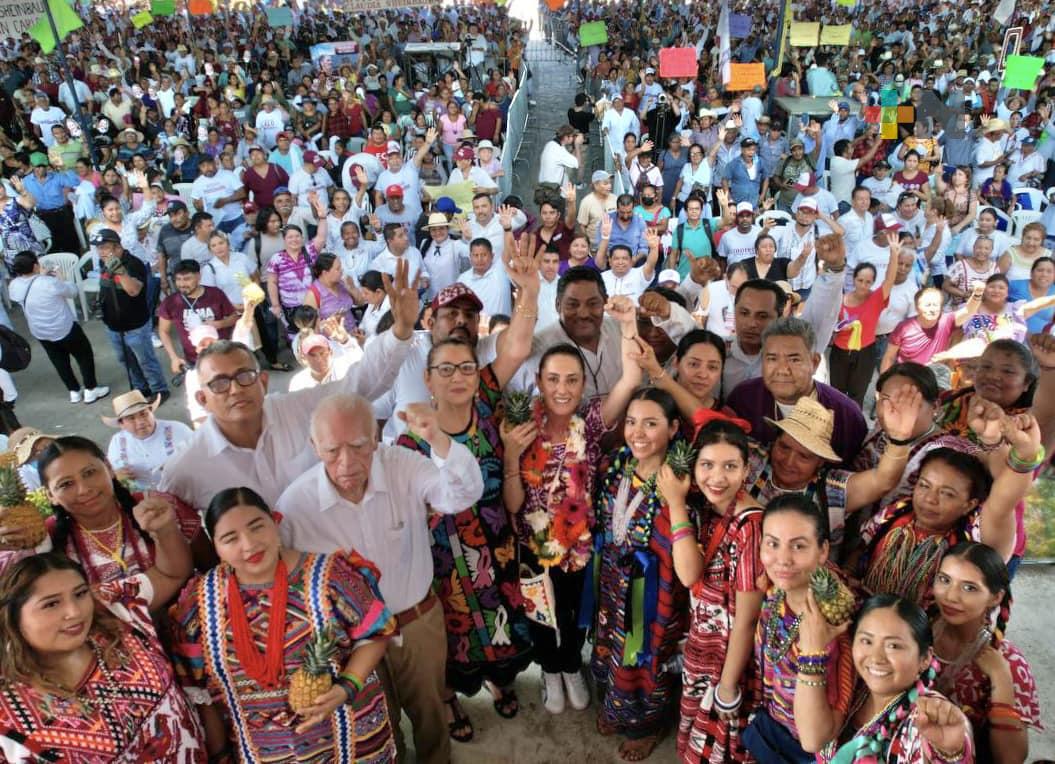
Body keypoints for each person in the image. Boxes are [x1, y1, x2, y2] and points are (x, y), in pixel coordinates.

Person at [276, 394, 485, 764]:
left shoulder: (403, 465)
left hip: (416, 622)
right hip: (350, 644)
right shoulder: (295, 507)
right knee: (375, 725)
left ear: (375, 436)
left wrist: (437, 437)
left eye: (358, 446)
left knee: (431, 712)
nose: (347, 463)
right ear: (314, 446)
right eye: (332, 451)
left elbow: (462, 494)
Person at [158, 259, 419, 510]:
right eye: (219, 383)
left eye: (244, 376)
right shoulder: (186, 466)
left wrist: (401, 330)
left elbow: (359, 383)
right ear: (202, 399)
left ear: (263, 381)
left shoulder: (296, 409)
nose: (235, 389)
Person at [172, 487, 397, 762]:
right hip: (260, 752)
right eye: (231, 538)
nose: (249, 544)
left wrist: (345, 687)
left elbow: (377, 634)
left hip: (349, 738)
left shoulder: (330, 576)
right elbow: (200, 692)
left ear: (275, 523)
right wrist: (220, 755)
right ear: (216, 547)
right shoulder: (199, 603)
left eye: (257, 527)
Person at [500, 302, 647, 716]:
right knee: (541, 614)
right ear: (538, 382)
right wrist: (512, 455)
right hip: (534, 546)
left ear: (583, 385)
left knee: (573, 613)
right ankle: (550, 670)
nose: (562, 389)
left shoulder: (592, 422)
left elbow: (632, 377)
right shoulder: (521, 425)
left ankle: (571, 665)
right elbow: (513, 504)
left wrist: (629, 323)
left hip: (581, 544)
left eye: (571, 380)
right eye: (552, 380)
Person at [0, 553, 207, 761]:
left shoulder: (116, 608)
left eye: (80, 594)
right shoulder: (8, 714)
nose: (74, 612)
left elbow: (172, 573)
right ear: (13, 617)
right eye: (51, 604)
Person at [591, 387, 690, 760]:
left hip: (653, 594)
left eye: (651, 423)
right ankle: (617, 709)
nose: (638, 432)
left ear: (673, 428)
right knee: (611, 644)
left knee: (645, 655)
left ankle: (646, 726)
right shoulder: (619, 464)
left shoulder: (675, 483)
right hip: (613, 584)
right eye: (631, 422)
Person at [854, 408, 1041, 607]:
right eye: (924, 485)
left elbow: (1003, 502)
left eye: (947, 493)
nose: (930, 499)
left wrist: (1024, 455)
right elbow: (861, 549)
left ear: (970, 504)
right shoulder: (894, 513)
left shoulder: (974, 540)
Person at [661, 416, 764, 764]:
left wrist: (729, 687)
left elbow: (747, 620)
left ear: (746, 469)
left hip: (729, 661)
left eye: (730, 466)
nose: (717, 478)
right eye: (707, 465)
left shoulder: (752, 527)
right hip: (706, 651)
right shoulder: (710, 507)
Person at [795, 594, 972, 763]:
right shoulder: (852, 687)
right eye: (867, 641)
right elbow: (811, 740)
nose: (876, 657)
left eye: (893, 646)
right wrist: (811, 651)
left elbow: (949, 746)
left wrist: (952, 753)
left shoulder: (931, 716)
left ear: (925, 659)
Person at [743, 496, 854, 763]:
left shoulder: (833, 622)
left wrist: (813, 652)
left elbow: (818, 736)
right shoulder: (776, 594)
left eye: (799, 546)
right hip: (774, 730)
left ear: (823, 550)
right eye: (772, 544)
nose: (782, 559)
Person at [36, 435, 200, 588]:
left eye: (89, 473)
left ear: (109, 468)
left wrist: (166, 530)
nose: (84, 489)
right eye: (66, 484)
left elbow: (210, 566)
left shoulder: (159, 507)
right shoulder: (43, 538)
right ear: (50, 495)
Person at [931, 543, 1041, 763]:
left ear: (995, 597)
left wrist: (1001, 680)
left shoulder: (1009, 663)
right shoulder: (915, 631)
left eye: (969, 587)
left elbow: (1010, 759)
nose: (951, 596)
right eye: (944, 580)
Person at [727, 317, 868, 464]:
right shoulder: (743, 399)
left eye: (794, 360)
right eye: (772, 359)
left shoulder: (847, 415)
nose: (782, 370)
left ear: (814, 363)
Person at [8, 251, 109, 405]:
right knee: (84, 355)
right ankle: (91, 389)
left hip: (40, 331)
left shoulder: (14, 286)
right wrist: (62, 278)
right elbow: (72, 292)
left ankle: (74, 391)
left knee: (59, 361)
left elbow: (29, 289)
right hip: (64, 327)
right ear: (35, 265)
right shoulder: (49, 283)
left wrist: (39, 275)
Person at [92, 228, 170, 402]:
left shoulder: (133, 263)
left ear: (117, 247)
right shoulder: (103, 263)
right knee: (126, 360)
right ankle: (141, 388)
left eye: (104, 247)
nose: (100, 252)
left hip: (135, 326)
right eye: (99, 248)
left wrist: (120, 271)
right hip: (113, 326)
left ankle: (159, 390)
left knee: (145, 360)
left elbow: (133, 290)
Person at [828, 238, 900, 406]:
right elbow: (830, 323)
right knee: (836, 394)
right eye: (860, 280)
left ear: (873, 282)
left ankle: (854, 428)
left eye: (868, 282)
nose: (863, 285)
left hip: (865, 352)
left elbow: (889, 279)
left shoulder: (876, 298)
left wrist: (894, 255)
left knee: (857, 395)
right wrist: (838, 328)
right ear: (853, 279)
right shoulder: (841, 299)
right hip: (840, 351)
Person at [157, 260, 238, 375]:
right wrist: (174, 358)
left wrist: (219, 324)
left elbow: (234, 317)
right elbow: (163, 331)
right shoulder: (170, 302)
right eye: (178, 279)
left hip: (222, 354)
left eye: (187, 279)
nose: (182, 284)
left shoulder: (215, 294)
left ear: (199, 277)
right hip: (195, 360)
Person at [103, 390, 193, 492]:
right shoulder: (117, 443)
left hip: (184, 489)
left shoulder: (179, 430)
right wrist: (118, 476)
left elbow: (201, 459)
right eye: (131, 418)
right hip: (144, 498)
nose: (140, 422)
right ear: (121, 424)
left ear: (151, 412)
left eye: (144, 414)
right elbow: (114, 474)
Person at [881, 287, 984, 371]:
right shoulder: (903, 327)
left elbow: (969, 310)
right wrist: (882, 384)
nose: (932, 309)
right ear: (917, 308)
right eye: (928, 305)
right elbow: (889, 357)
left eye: (935, 305)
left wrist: (978, 293)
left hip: (936, 375)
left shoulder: (946, 321)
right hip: (907, 374)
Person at [266, 198, 328, 333]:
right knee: (297, 338)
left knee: (318, 334)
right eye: (290, 237)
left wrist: (322, 218)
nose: (294, 239)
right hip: (291, 308)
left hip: (314, 304)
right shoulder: (276, 259)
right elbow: (272, 283)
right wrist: (276, 305)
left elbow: (321, 238)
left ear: (302, 237)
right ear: (284, 240)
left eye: (297, 236)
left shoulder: (309, 251)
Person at [960, 274, 1055, 344]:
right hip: (973, 361)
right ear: (984, 290)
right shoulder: (969, 307)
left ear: (1007, 293)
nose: (996, 290)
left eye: (1001, 288)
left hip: (1007, 361)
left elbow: (1039, 304)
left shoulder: (1015, 309)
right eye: (992, 287)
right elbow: (955, 334)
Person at [303, 251, 357, 335]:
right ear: (325, 273)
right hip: (333, 342)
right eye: (337, 269)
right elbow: (309, 328)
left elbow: (360, 302)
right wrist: (332, 321)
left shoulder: (342, 283)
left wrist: (352, 288)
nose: (341, 271)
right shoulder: (313, 294)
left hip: (353, 335)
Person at [1009, 256, 1055, 336]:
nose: (1044, 274)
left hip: (1039, 343)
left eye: (1049, 271)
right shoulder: (1014, 285)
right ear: (1031, 273)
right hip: (1011, 336)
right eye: (1040, 270)